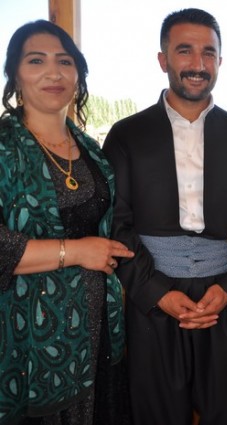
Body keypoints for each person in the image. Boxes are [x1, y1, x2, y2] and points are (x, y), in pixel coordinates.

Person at [101, 8, 227, 425]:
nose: (198, 64)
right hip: (152, 302)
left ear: (220, 61)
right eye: (185, 51)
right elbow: (116, 224)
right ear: (163, 59)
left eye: (208, 53)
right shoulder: (127, 135)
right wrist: (156, 292)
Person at [0, 20, 135, 424]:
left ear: (78, 73)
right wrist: (75, 252)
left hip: (98, 334)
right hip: (30, 341)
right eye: (36, 61)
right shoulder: (4, 147)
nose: (53, 72)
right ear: (14, 74)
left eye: (64, 61)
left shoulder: (91, 150)